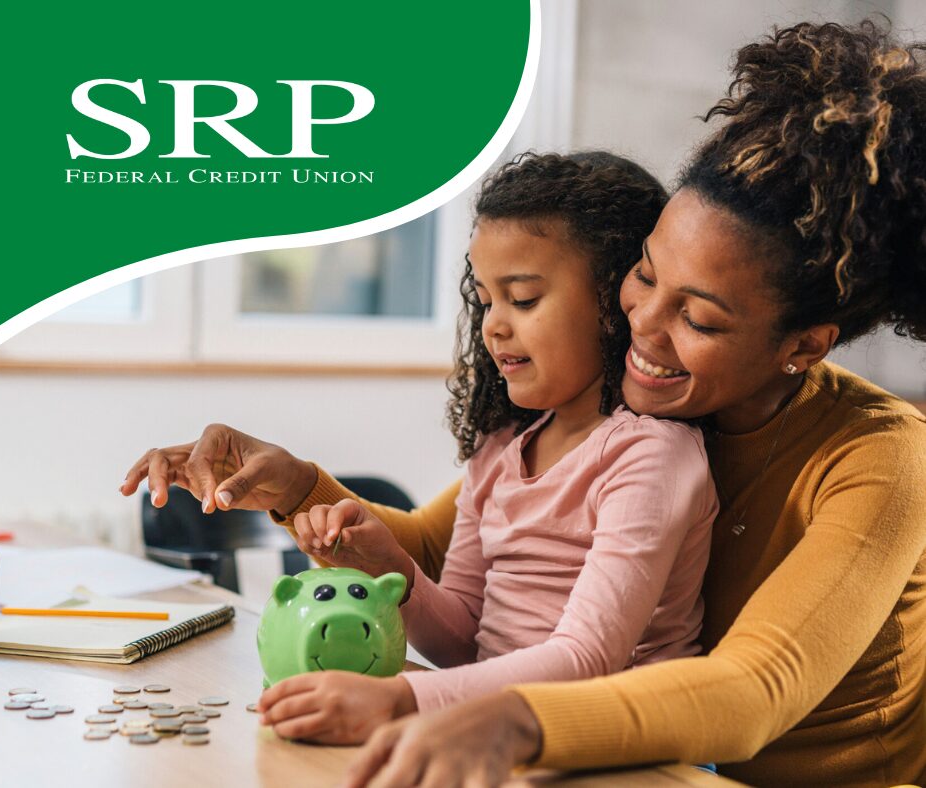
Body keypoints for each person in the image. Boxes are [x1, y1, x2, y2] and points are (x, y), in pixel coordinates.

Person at [120, 19, 926, 787]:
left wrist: (507, 717)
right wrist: (296, 490)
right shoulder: (639, 407)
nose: (639, 322)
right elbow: (448, 559)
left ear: (805, 346)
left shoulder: (880, 457)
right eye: (644, 274)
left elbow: (753, 690)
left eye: (701, 317)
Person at [124, 151, 717, 742]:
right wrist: (390, 570)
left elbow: (587, 661)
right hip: (504, 733)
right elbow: (465, 646)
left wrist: (398, 697)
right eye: (486, 301)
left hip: (628, 751)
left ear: (620, 300)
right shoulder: (502, 450)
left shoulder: (650, 456)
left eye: (525, 299)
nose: (493, 326)